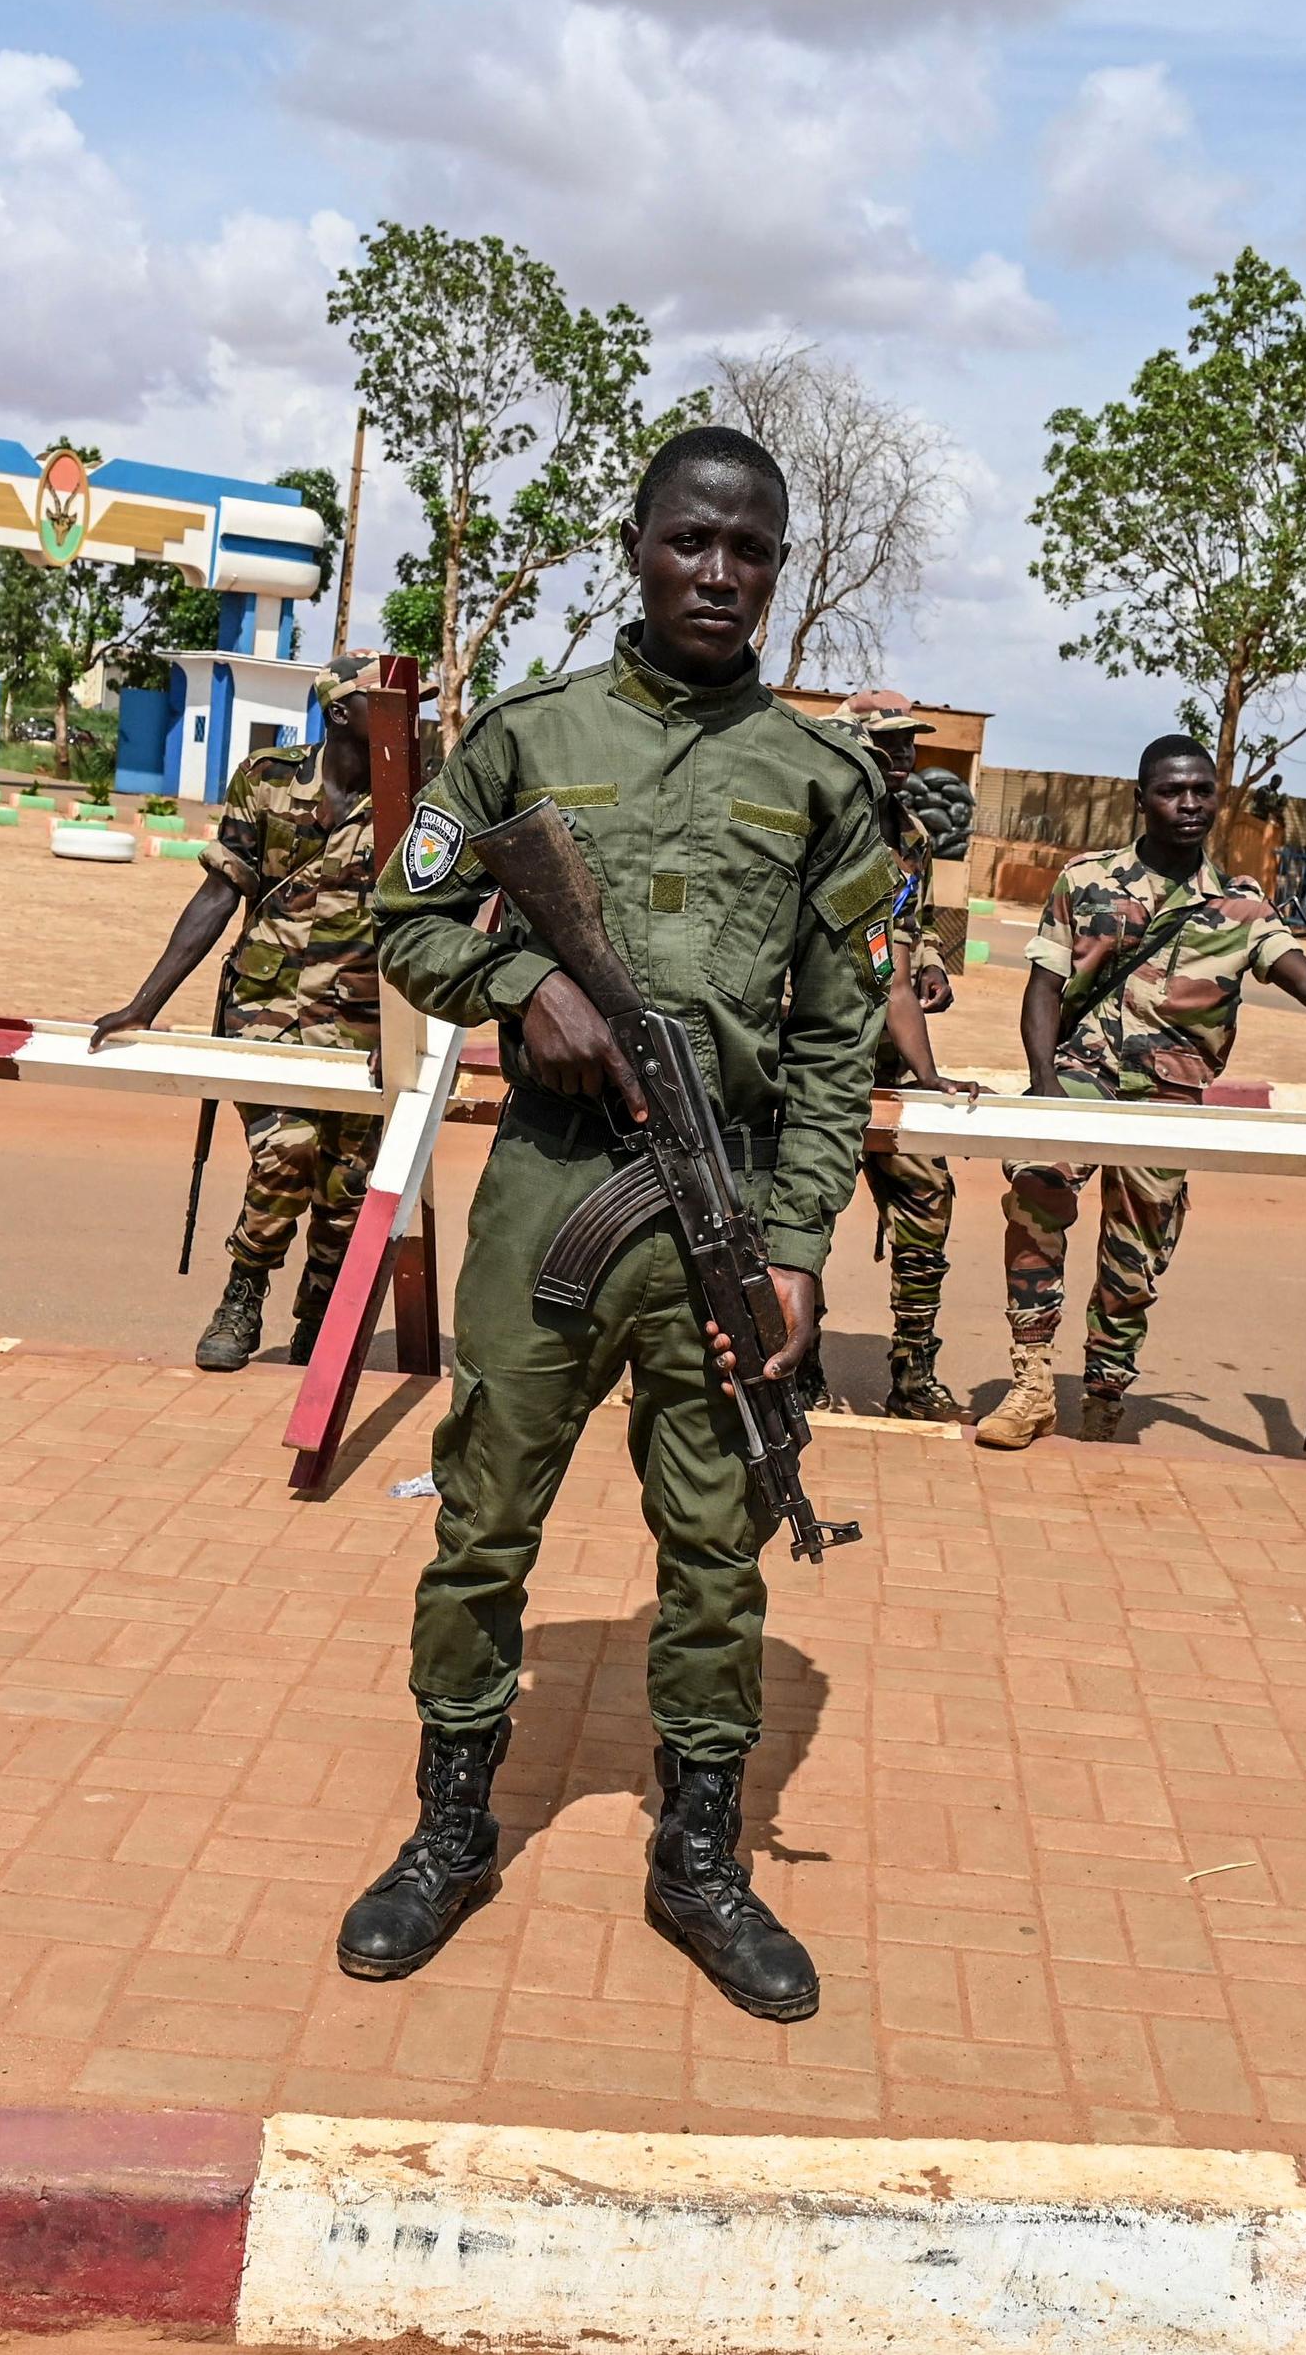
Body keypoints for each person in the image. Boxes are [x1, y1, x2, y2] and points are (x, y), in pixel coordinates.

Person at [335, 427, 893, 2022]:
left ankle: (702, 1856)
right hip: (552, 1193)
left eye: (754, 552)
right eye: (692, 542)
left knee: (718, 1545)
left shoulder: (819, 779)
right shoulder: (529, 737)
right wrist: (525, 988)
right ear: (634, 546)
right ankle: (450, 1831)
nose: (721, 575)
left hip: (727, 1201)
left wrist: (795, 1246)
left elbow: (842, 1035)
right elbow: (410, 917)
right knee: (482, 1522)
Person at [974, 736, 1306, 1451]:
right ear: (1142, 799)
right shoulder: (1087, 881)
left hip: (1170, 1100)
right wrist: (1045, 1092)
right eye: (1173, 790)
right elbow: (1043, 988)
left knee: (1134, 1261)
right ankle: (1032, 1381)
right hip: (1086, 1073)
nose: (1190, 803)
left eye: (1202, 790)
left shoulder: (1241, 908)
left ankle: (1104, 1398)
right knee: (1036, 1189)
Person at [92, 655, 384, 1372]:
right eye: (390, 698)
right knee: (287, 1153)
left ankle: (319, 1318)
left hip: (364, 1021)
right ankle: (242, 1293)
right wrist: (144, 1003)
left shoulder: (417, 796)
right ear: (341, 710)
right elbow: (221, 894)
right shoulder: (268, 778)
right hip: (266, 1008)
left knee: (347, 1186)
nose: (411, 711)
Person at [835, 689, 979, 1422]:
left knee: (928, 1203)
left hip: (888, 1062)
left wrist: (932, 965)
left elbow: (910, 930)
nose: (903, 756)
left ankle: (913, 1374)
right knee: (800, 1217)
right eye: (888, 743)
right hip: (812, 1060)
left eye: (910, 744)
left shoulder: (915, 835)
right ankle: (789, 1367)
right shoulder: (822, 828)